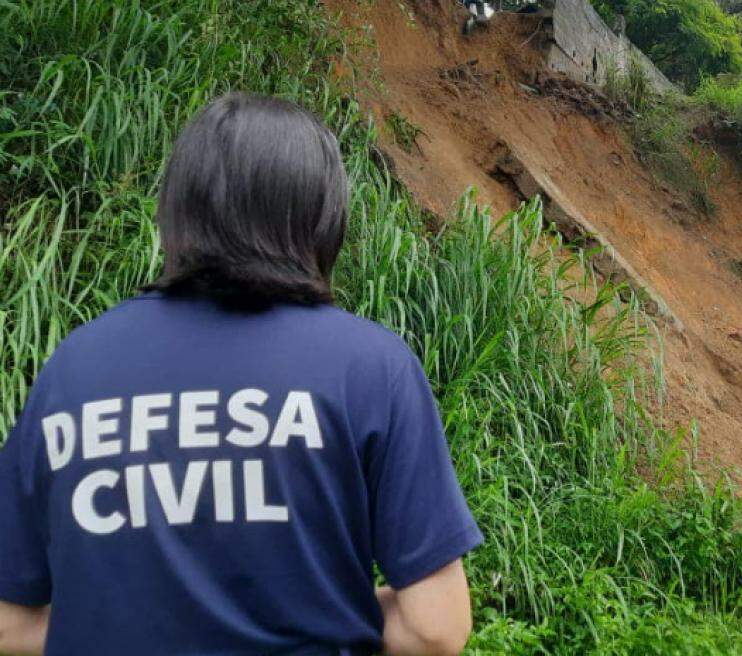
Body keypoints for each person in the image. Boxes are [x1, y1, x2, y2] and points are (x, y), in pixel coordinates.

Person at [0, 93, 481, 656]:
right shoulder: (371, 367)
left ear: (178, 208)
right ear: (320, 215)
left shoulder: (73, 369)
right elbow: (434, 628)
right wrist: (318, 611)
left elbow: (9, 621)